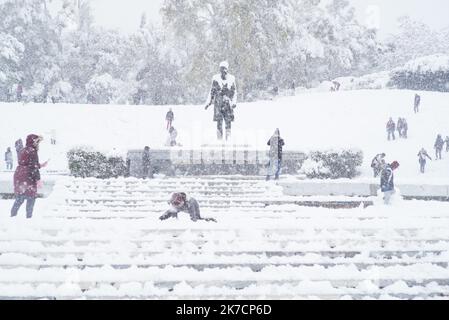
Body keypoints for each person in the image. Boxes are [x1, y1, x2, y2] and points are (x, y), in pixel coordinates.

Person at [11, 134, 48, 218]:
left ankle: (12, 216)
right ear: (34, 142)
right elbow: (33, 167)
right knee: (31, 198)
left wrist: (41, 165)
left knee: (19, 198)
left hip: (19, 174)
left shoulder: (24, 150)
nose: (38, 144)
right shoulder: (33, 151)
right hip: (28, 176)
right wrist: (38, 180)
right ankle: (29, 218)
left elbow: (27, 163)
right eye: (37, 142)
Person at [205, 61, 237, 141]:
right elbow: (212, 92)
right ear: (220, 69)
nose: (223, 71)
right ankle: (219, 139)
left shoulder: (231, 79)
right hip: (218, 104)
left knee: (228, 122)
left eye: (225, 68)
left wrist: (233, 103)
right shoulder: (215, 79)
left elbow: (235, 92)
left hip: (228, 105)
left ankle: (228, 138)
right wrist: (208, 102)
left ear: (227, 69)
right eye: (221, 68)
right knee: (219, 123)